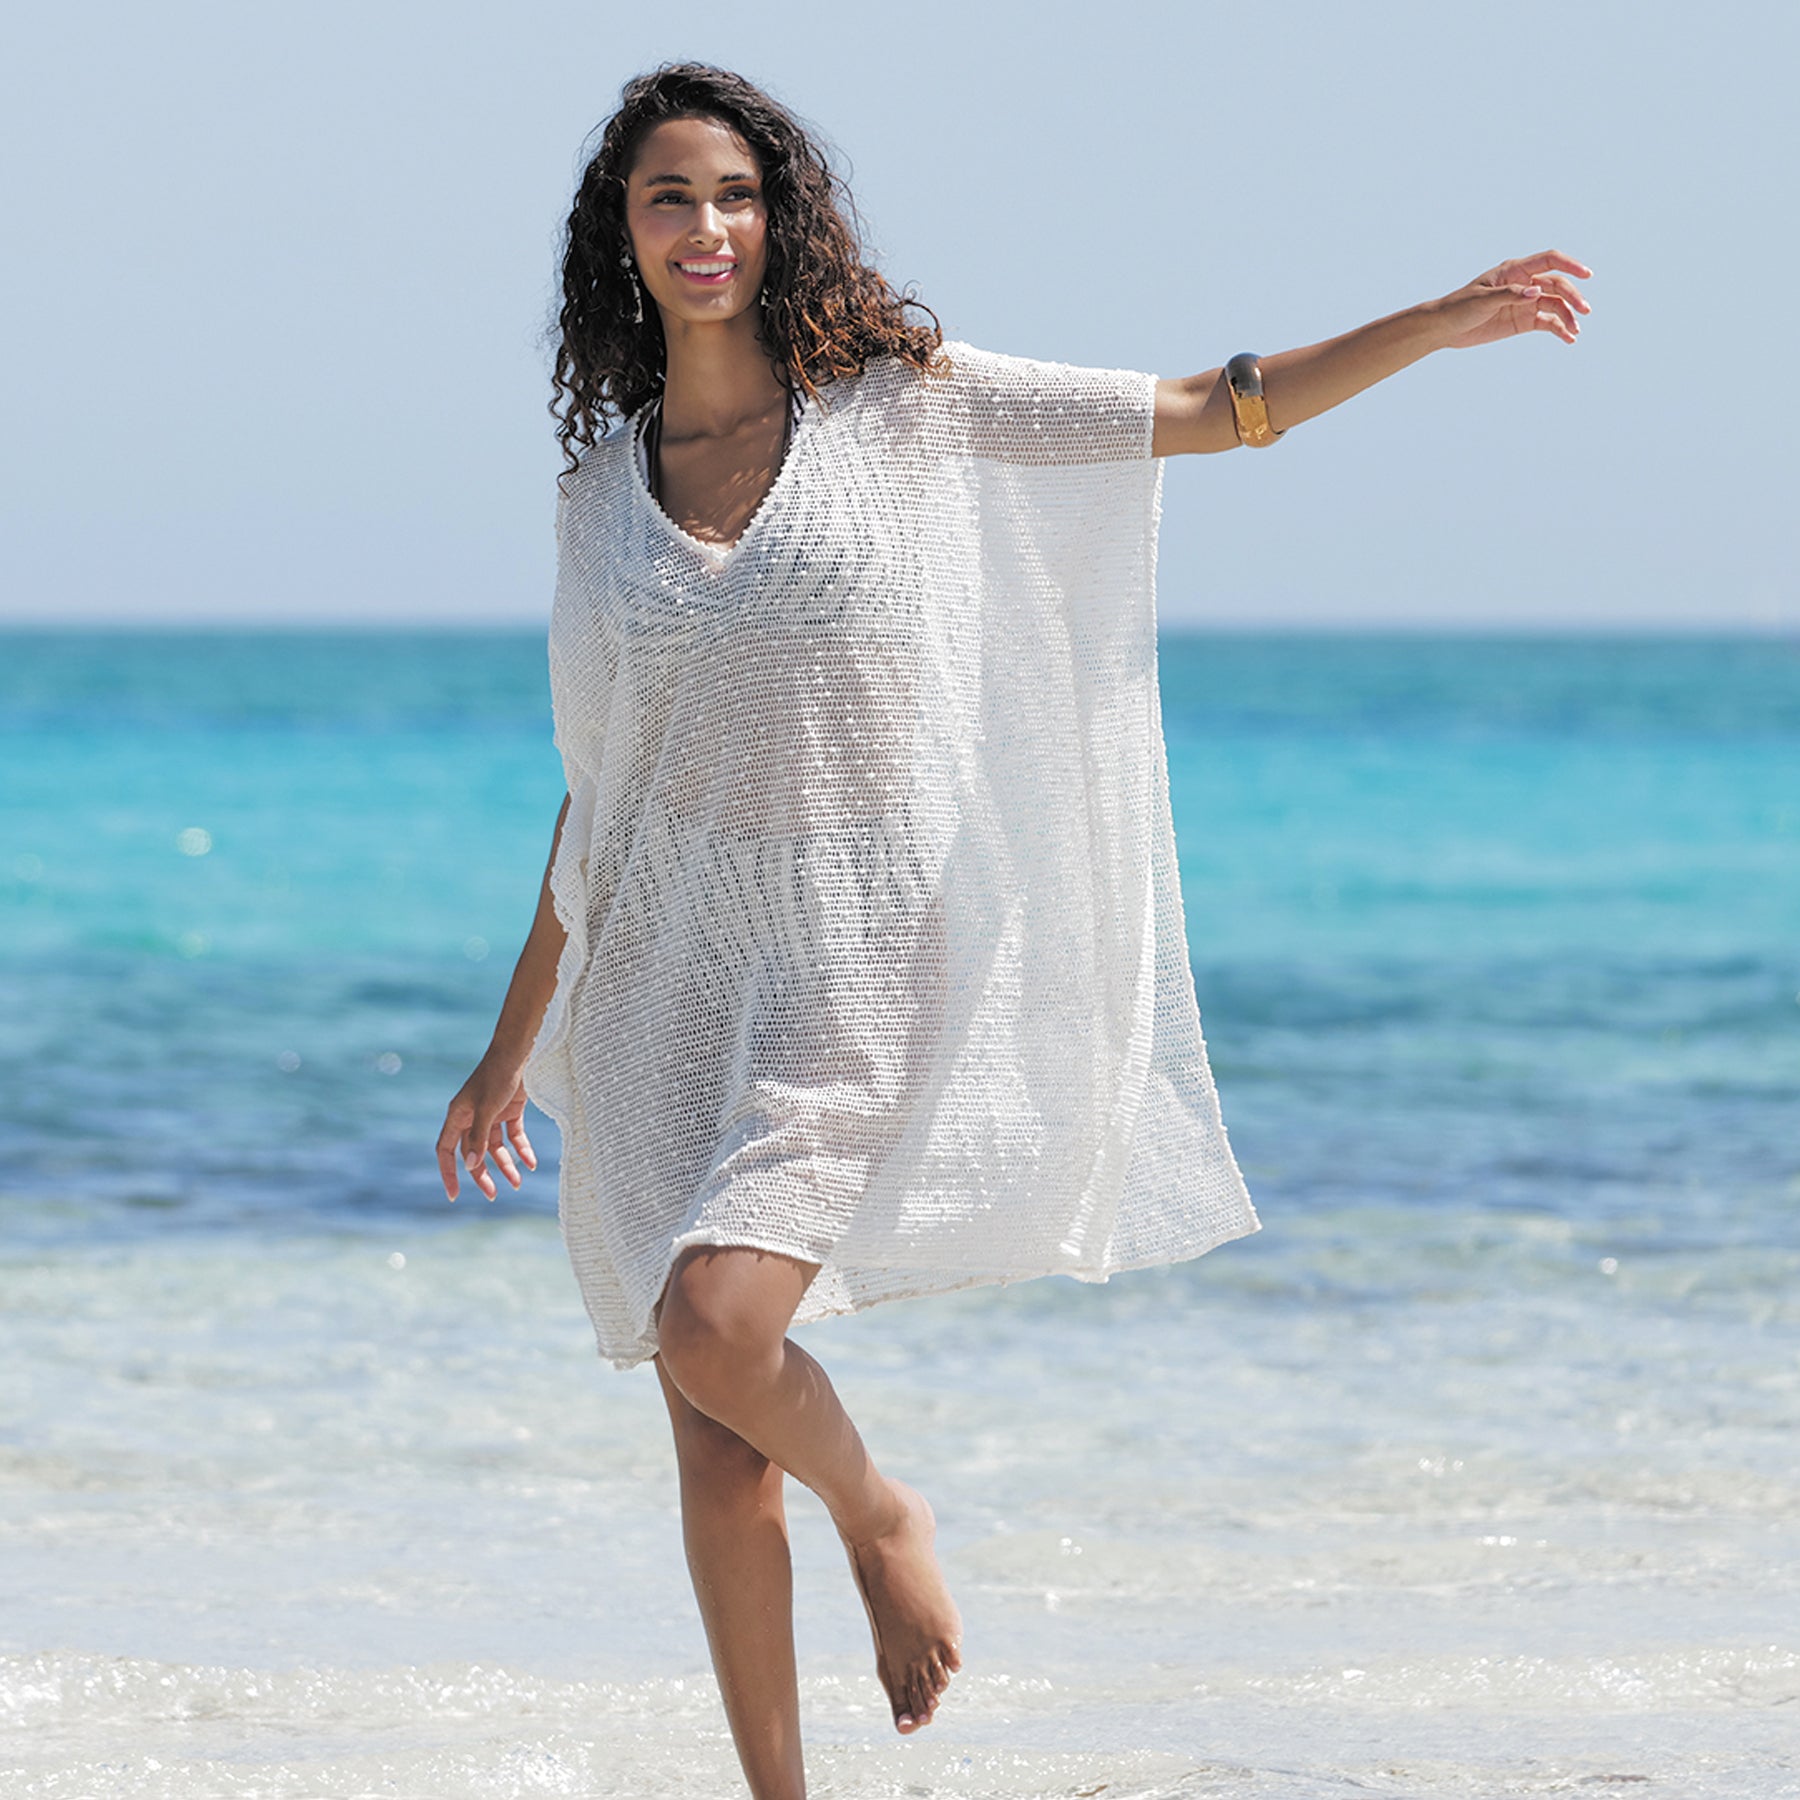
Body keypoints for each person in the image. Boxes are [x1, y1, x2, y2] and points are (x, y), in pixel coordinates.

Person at [436, 61, 1590, 1800]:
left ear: (779, 218)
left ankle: (880, 1508)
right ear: (624, 231)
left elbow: (1201, 409)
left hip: (844, 956)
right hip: (655, 981)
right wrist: (506, 1048)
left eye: (735, 194)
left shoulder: (906, 406)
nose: (706, 226)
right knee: (704, 1435)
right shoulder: (597, 502)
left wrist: (1426, 325)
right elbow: (598, 801)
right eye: (670, 197)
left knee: (716, 1327)